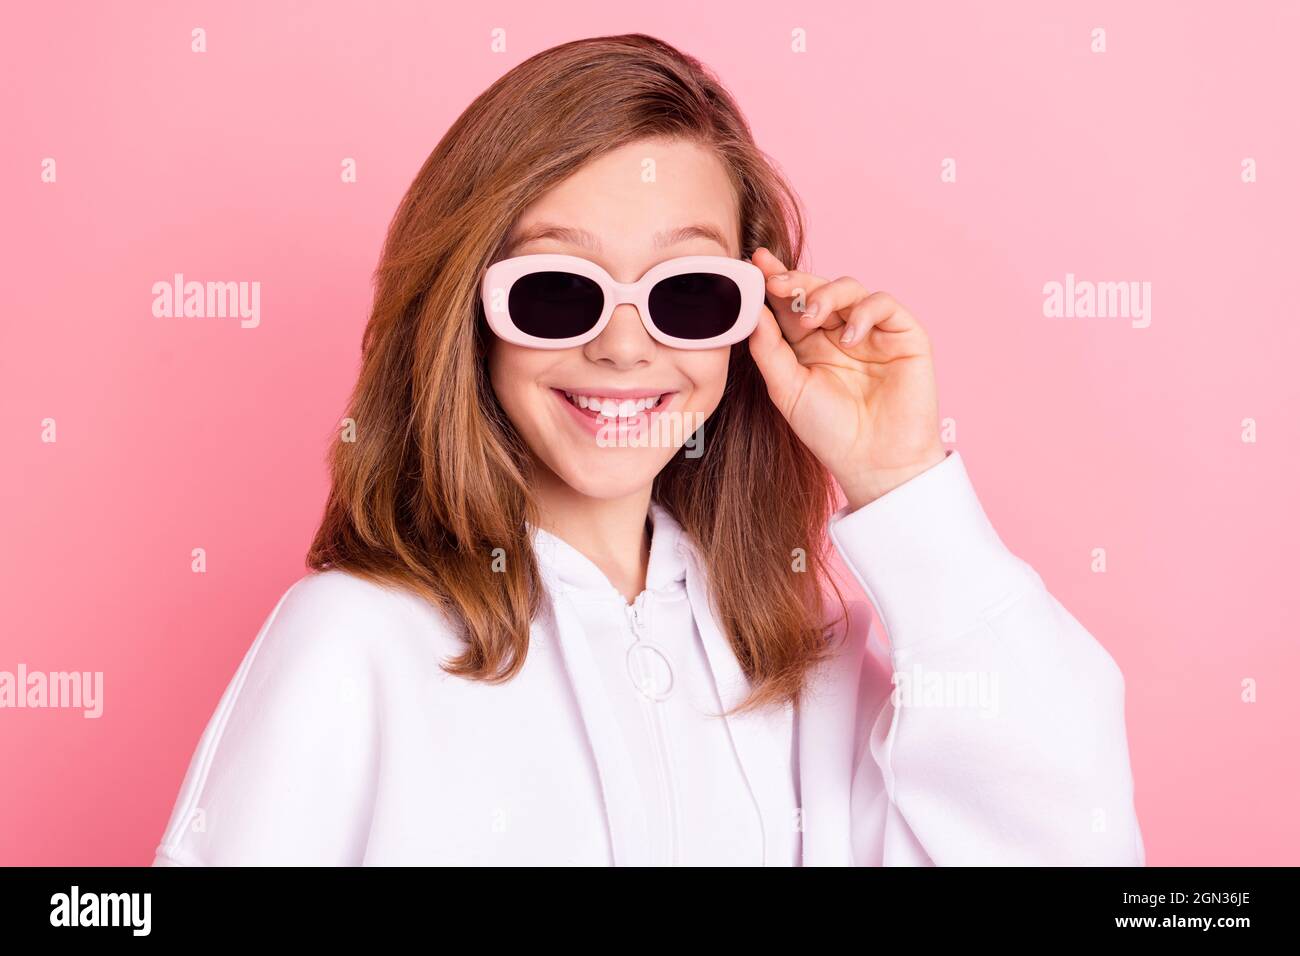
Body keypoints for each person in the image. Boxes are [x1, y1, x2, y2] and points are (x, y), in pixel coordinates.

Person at [153, 33, 1144, 866]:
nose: (624, 345)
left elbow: (1069, 842)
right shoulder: (352, 643)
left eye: (686, 292)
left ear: (749, 318)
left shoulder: (807, 667)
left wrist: (901, 481)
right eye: (557, 289)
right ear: (471, 314)